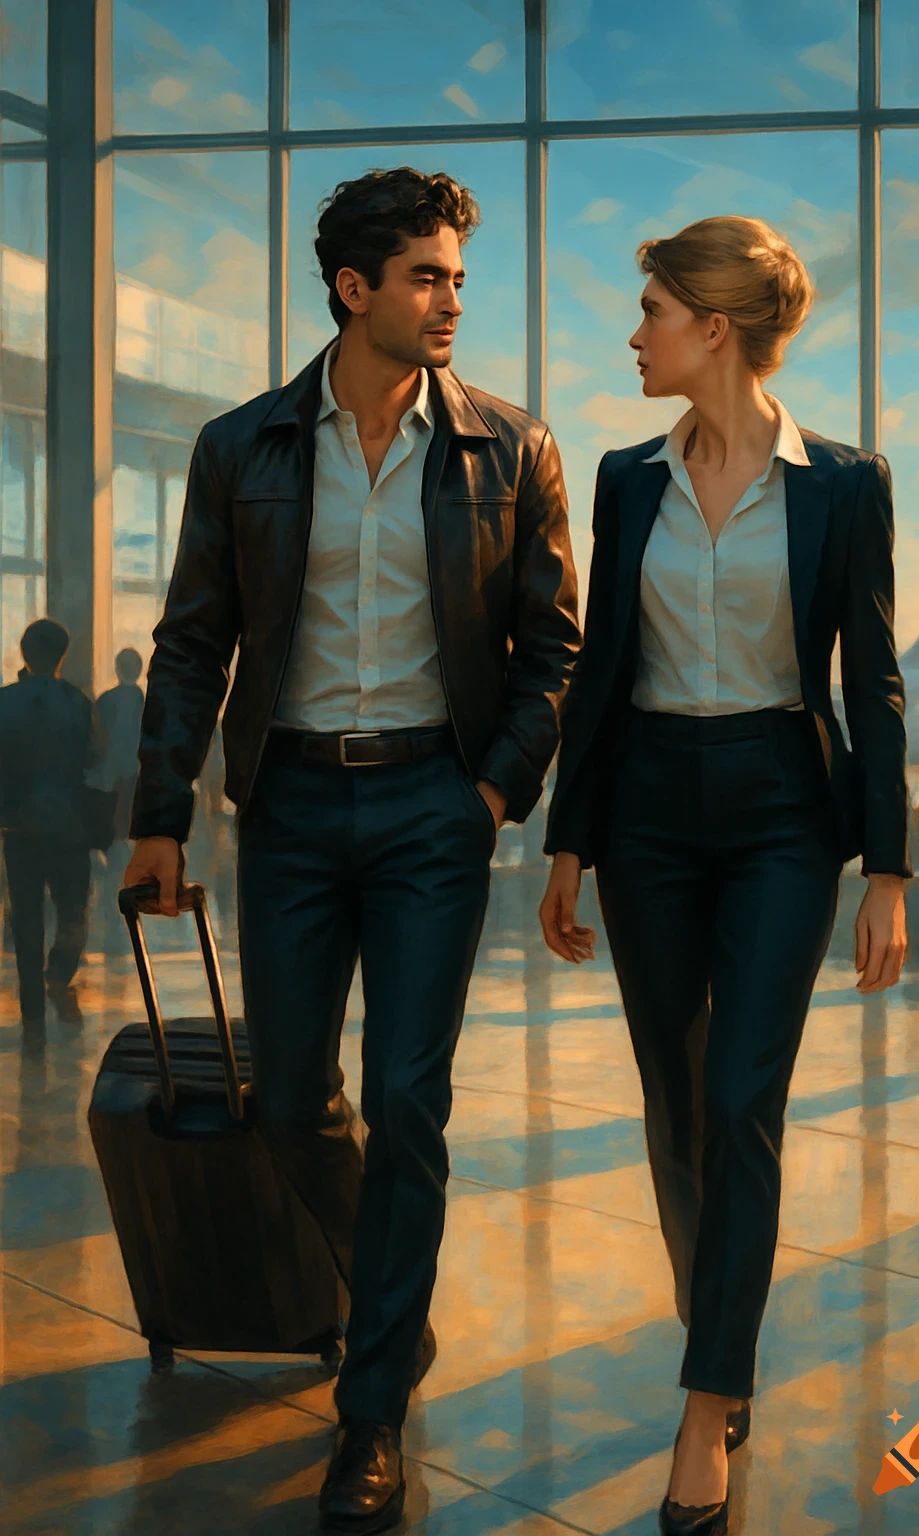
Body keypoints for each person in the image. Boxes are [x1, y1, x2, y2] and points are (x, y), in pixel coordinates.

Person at [124, 167, 579, 1533]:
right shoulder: (243, 447)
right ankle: (392, 1305)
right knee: (290, 1101)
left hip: (438, 807)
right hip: (293, 812)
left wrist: (491, 793)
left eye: (457, 277)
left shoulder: (511, 448)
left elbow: (555, 645)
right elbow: (193, 642)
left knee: (410, 1101)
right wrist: (159, 816)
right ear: (352, 287)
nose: (451, 301)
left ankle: (370, 1404)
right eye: (427, 277)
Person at [539, 216, 910, 1536]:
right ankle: (723, 1325)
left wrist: (888, 868)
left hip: (779, 818)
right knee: (675, 1099)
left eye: (651, 312)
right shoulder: (625, 476)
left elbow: (871, 677)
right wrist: (569, 839)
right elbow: (600, 672)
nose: (633, 336)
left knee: (743, 1100)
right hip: (645, 815)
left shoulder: (845, 483)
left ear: (713, 327)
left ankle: (707, 1405)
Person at [0, 619, 100, 1023]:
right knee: (72, 909)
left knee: (26, 913)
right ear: (63, 655)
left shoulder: (4, 701)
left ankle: (31, 1001)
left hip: (19, 825)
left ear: (24, 652)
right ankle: (58, 973)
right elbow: (95, 757)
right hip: (69, 824)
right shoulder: (78, 702)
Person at [95, 647, 145, 840]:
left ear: (117, 669)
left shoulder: (105, 700)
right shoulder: (146, 702)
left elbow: (97, 736)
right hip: (135, 764)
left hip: (110, 763)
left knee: (113, 812)